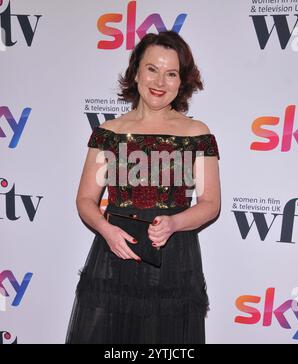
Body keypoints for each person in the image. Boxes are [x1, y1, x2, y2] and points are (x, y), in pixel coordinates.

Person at [66, 31, 221, 344]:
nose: (160, 82)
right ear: (136, 72)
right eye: (152, 69)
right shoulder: (109, 133)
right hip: (114, 255)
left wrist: (175, 223)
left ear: (181, 81)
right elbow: (85, 199)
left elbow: (210, 203)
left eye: (171, 73)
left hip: (174, 257)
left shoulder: (196, 133)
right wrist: (106, 230)